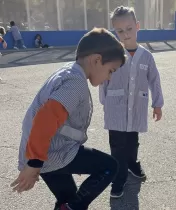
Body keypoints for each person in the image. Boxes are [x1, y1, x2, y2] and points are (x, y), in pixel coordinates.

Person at [11, 27, 126, 210]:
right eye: (111, 70)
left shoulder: (67, 71)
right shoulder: (75, 84)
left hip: (43, 153)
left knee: (67, 198)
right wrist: (34, 164)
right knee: (109, 166)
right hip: (49, 154)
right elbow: (45, 120)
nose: (109, 78)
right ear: (96, 60)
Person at [99, 6, 164, 198]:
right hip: (115, 109)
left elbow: (154, 79)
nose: (125, 34)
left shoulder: (146, 56)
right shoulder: (111, 54)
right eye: (120, 31)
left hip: (136, 107)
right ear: (114, 31)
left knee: (133, 141)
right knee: (117, 146)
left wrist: (157, 104)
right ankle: (118, 180)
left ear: (137, 26)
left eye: (129, 28)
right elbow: (103, 78)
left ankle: (133, 164)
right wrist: (104, 102)